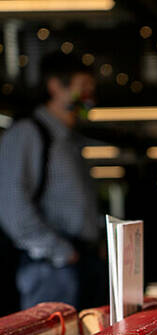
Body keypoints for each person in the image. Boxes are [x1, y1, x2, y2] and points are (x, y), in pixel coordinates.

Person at [0, 52, 105, 309]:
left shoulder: (69, 140)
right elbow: (12, 207)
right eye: (83, 87)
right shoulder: (29, 134)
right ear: (55, 86)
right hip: (50, 267)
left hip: (82, 262)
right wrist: (61, 252)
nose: (89, 95)